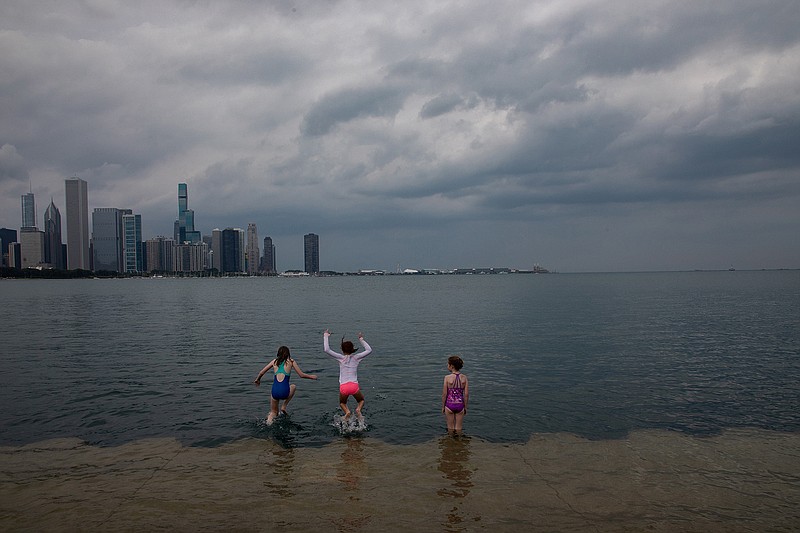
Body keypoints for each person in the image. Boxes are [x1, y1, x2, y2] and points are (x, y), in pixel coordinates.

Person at [254, 346, 317, 425]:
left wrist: (258, 380)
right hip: (285, 392)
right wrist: (312, 377)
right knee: (293, 386)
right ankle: (284, 406)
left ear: (278, 354)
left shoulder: (274, 362)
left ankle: (268, 423)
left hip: (275, 392)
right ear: (288, 354)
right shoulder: (291, 361)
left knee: (273, 412)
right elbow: (301, 375)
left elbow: (261, 372)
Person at [323, 329, 372, 420]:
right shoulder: (357, 358)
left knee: (342, 403)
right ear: (353, 349)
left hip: (344, 386)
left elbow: (327, 349)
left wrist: (326, 335)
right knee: (361, 400)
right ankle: (358, 410)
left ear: (342, 349)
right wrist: (361, 339)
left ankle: (347, 412)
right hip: (354, 386)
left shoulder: (340, 358)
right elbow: (369, 350)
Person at [442, 355, 469, 433]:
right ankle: (459, 442)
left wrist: (443, 407)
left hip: (449, 404)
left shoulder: (447, 378)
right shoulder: (464, 378)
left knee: (450, 428)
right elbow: (466, 394)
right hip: (460, 404)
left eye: (448, 364)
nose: (447, 366)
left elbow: (444, 394)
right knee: (459, 428)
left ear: (452, 366)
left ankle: (451, 443)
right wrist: (465, 407)